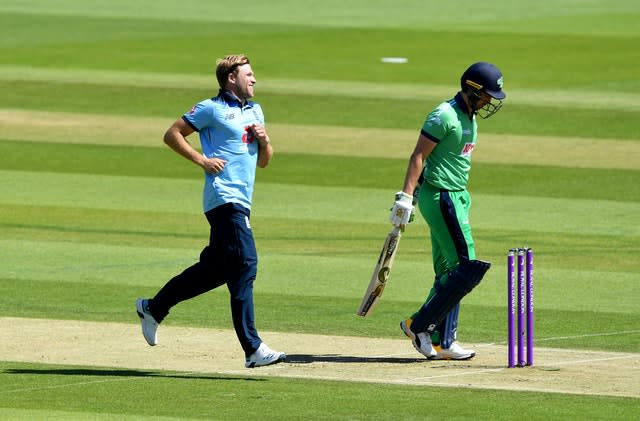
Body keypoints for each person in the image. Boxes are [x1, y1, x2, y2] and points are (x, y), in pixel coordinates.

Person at [135, 54, 286, 368]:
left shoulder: (256, 111)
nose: (254, 79)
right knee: (246, 264)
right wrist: (202, 160)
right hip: (223, 198)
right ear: (231, 78)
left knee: (216, 270)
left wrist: (265, 141)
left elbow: (264, 160)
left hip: (242, 200)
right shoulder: (210, 109)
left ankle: (154, 307)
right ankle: (253, 349)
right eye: (248, 74)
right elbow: (172, 134)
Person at [390, 62, 506, 360]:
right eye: (486, 96)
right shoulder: (443, 115)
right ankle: (418, 325)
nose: (489, 101)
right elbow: (419, 155)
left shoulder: (469, 115)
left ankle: (443, 339)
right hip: (442, 198)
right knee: (467, 269)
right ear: (471, 89)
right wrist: (406, 197)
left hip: (456, 196)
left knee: (448, 271)